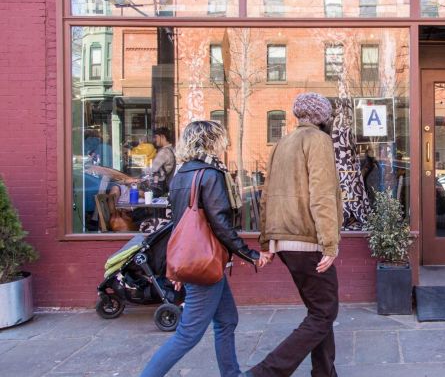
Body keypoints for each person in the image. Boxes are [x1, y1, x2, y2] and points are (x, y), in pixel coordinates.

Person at [140, 120, 260, 377]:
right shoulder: (210, 174)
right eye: (220, 139)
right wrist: (250, 255)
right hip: (205, 263)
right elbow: (221, 225)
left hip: (198, 261)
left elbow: (177, 224)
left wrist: (177, 267)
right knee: (188, 335)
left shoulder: (181, 174)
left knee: (227, 321)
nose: (223, 144)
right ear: (210, 141)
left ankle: (232, 374)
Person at [245, 93, 343, 377]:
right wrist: (330, 243)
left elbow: (266, 197)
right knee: (324, 312)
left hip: (283, 240)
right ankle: (265, 372)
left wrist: (266, 241)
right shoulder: (319, 141)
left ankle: (324, 374)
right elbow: (322, 195)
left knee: (318, 311)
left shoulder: (281, 144)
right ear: (322, 117)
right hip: (308, 239)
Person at [146, 127, 176, 195]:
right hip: (167, 185)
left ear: (162, 136)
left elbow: (152, 169)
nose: (155, 139)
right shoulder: (172, 149)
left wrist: (141, 168)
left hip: (159, 187)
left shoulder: (164, 152)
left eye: (156, 137)